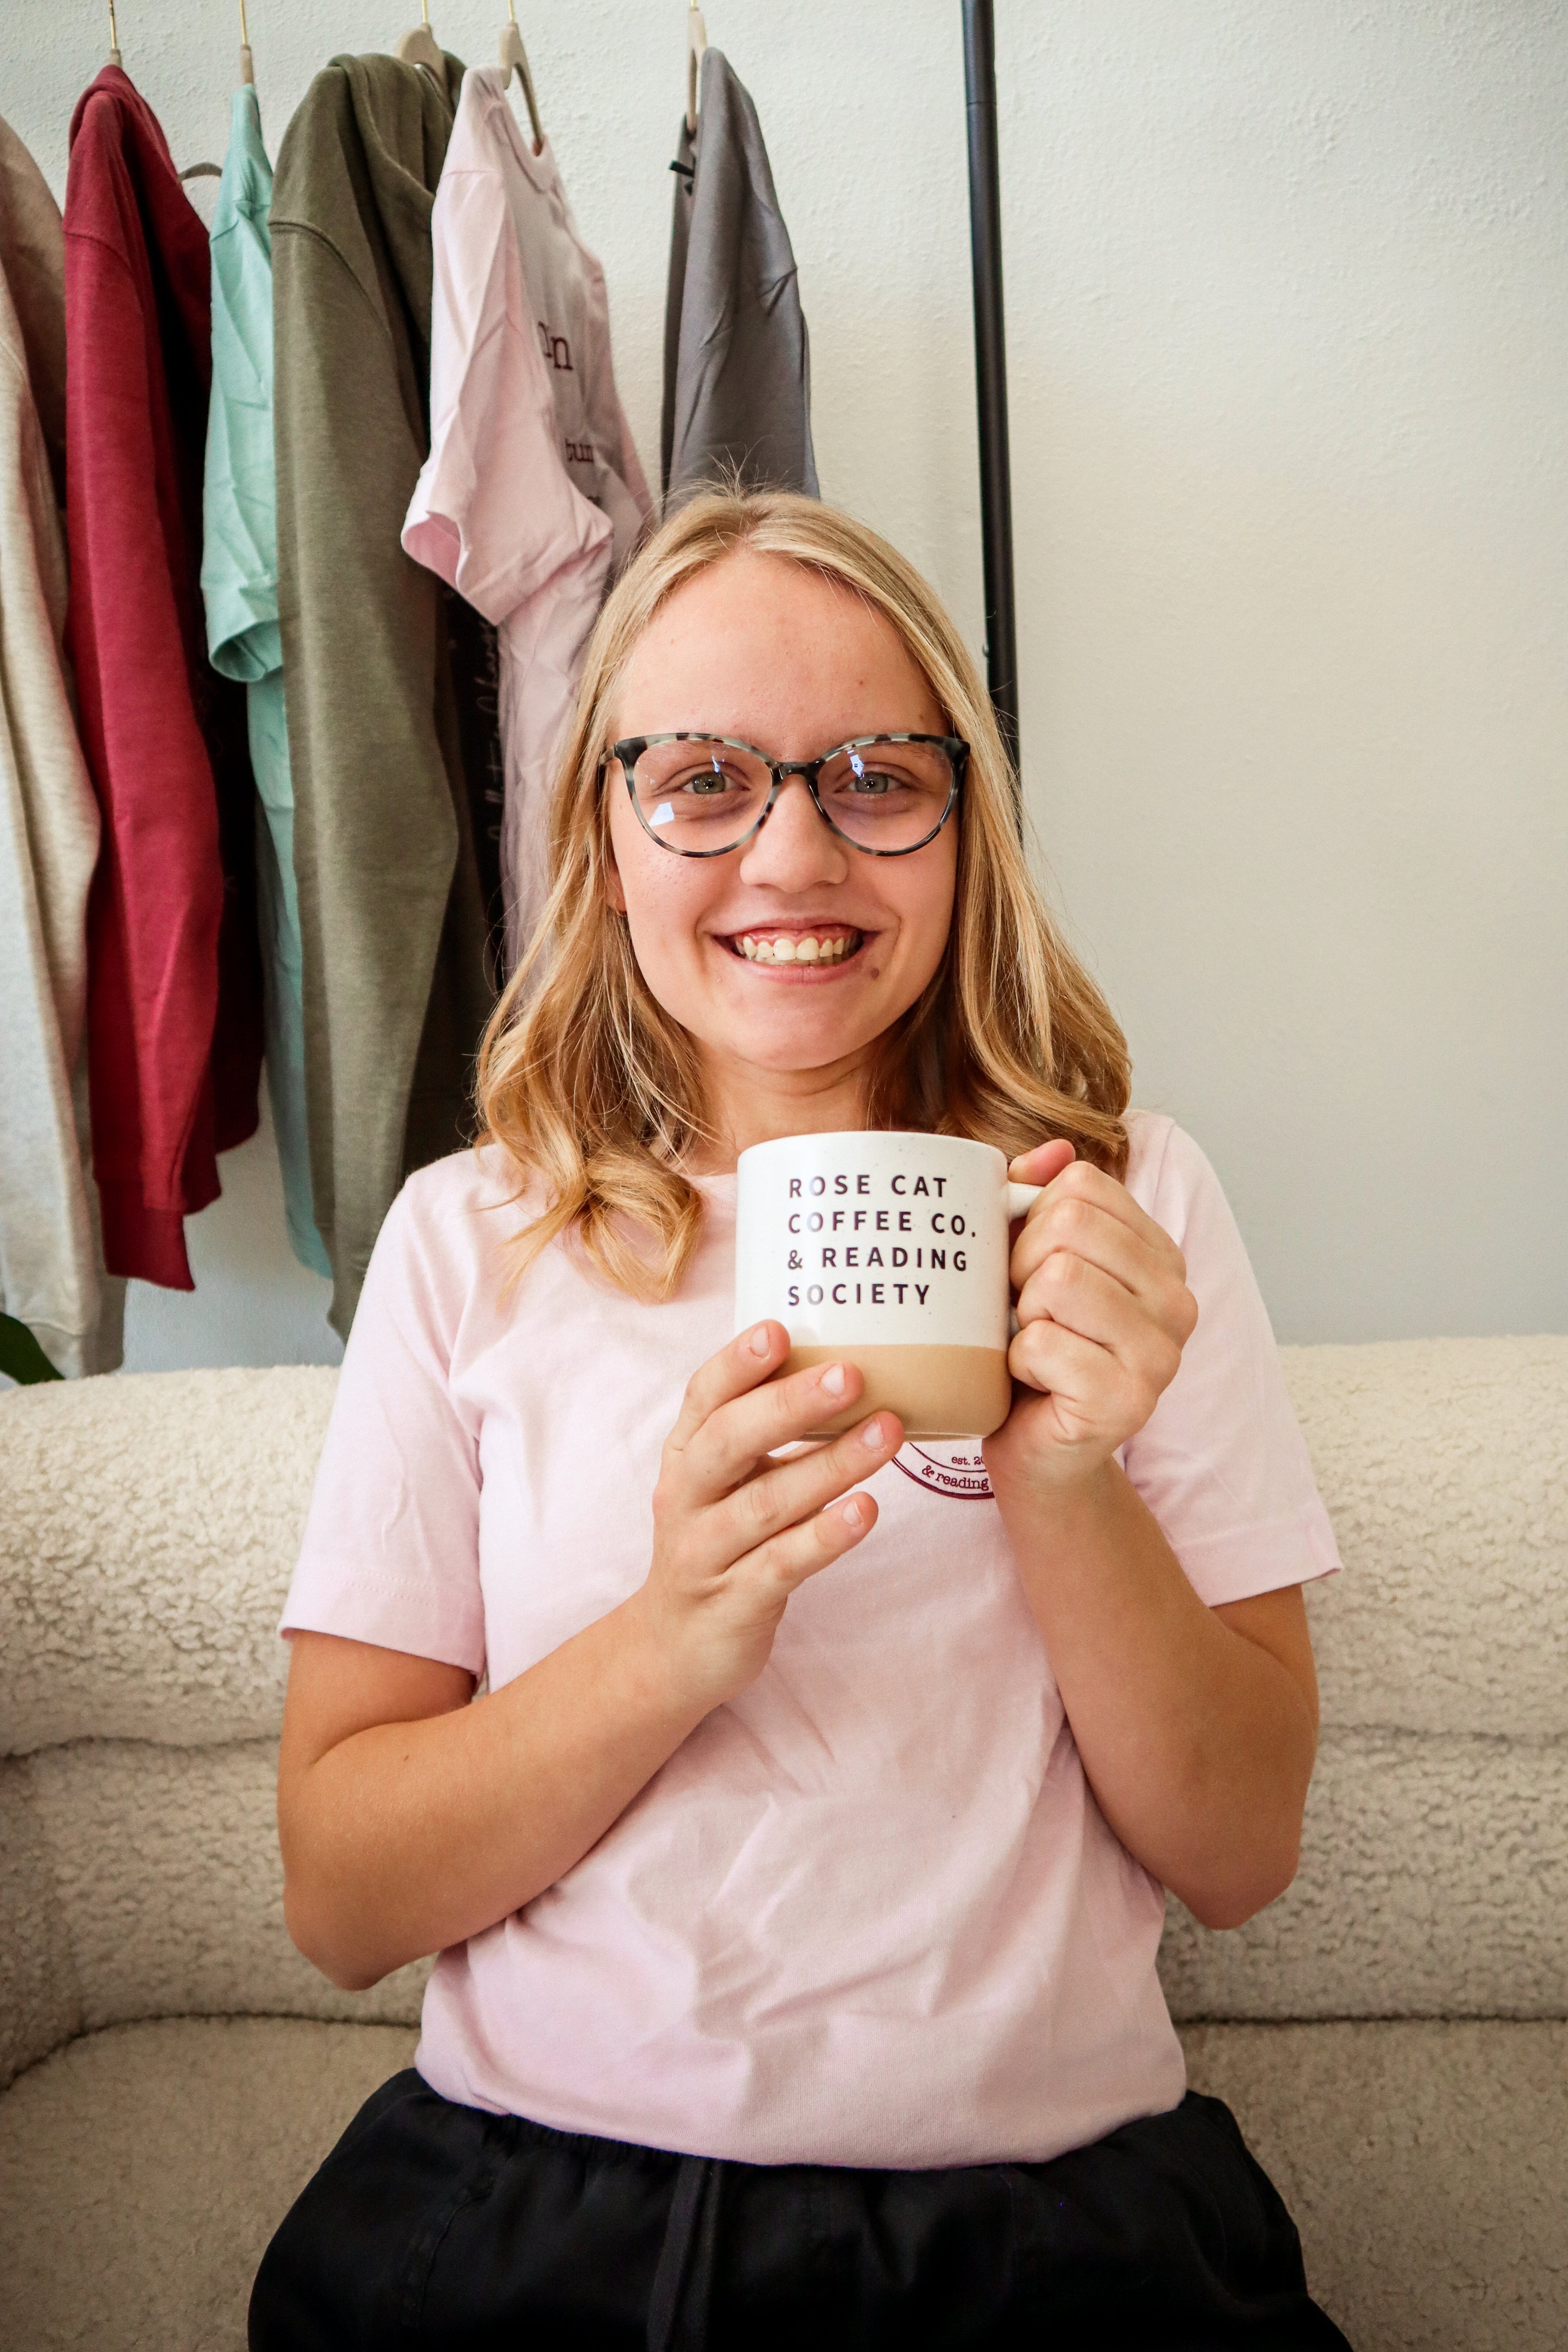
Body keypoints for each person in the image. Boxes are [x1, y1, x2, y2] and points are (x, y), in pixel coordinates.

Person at [251, 491, 1351, 2350]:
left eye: (870, 774)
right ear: (606, 838)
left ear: (960, 823)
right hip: (547, 2202)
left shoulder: (1119, 1206)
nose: (793, 852)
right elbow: (342, 1899)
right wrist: (677, 1631)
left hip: (1049, 2222)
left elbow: (1240, 1855)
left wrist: (1059, 1469)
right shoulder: (479, 1234)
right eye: (702, 780)